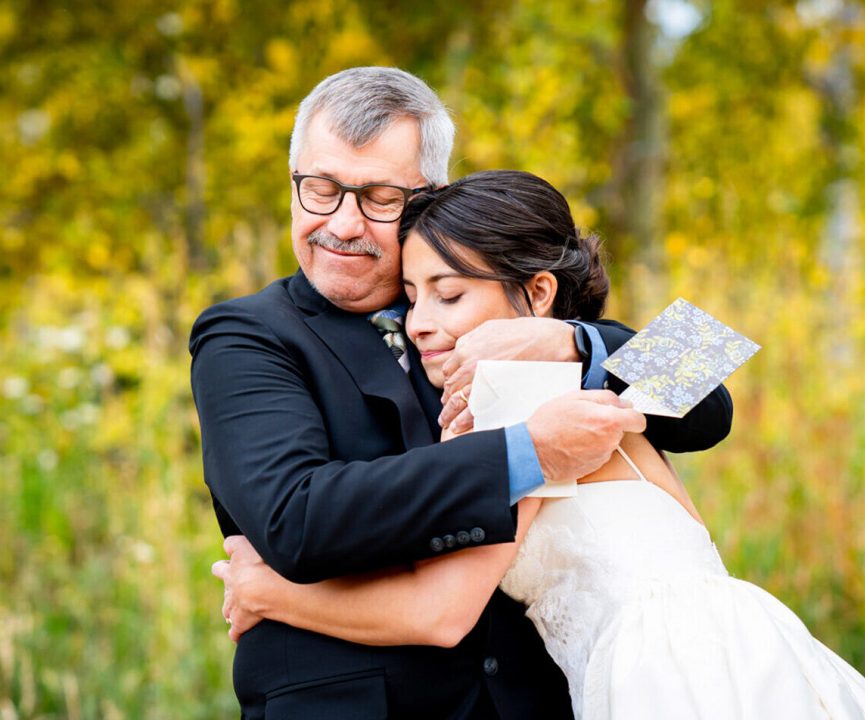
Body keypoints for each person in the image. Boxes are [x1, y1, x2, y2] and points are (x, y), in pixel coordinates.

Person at [214, 171, 865, 720]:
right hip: (733, 637)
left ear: (539, 291)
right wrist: (567, 339)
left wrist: (268, 592)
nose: (421, 323)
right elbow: (697, 354)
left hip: (661, 663)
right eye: (412, 299)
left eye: (448, 296)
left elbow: (440, 613)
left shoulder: (519, 390)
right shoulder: (571, 381)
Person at [190, 67, 733, 719]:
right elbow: (298, 520)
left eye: (380, 199)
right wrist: (526, 452)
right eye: (321, 189)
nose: (343, 223)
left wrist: (567, 342)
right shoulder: (244, 333)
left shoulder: (492, 306)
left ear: (429, 198)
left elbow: (709, 401)